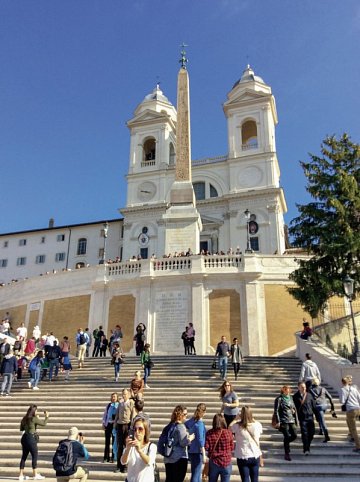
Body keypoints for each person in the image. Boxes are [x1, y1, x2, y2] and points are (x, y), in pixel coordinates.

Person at [231, 406, 262, 482]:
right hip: (255, 455)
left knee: (245, 479)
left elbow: (229, 428)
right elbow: (258, 440)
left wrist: (236, 418)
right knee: (255, 479)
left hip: (243, 455)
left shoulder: (237, 426)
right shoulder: (257, 424)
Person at [163, 405, 194, 482]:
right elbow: (183, 443)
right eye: (185, 414)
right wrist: (190, 438)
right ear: (181, 415)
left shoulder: (169, 426)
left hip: (168, 457)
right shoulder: (181, 426)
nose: (187, 416)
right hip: (180, 458)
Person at [19, 404, 49, 481]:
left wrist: (33, 424)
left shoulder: (24, 418)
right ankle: (35, 475)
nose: (37, 411)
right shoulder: (34, 418)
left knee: (24, 457)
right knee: (34, 456)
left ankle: (21, 475)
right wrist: (47, 417)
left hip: (24, 438)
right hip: (31, 439)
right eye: (36, 410)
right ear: (34, 411)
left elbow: (21, 428)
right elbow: (44, 424)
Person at [120, 417, 156, 482]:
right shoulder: (131, 446)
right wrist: (127, 448)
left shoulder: (151, 446)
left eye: (140, 429)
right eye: (135, 429)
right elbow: (123, 462)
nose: (137, 432)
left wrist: (139, 451)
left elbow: (149, 462)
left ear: (145, 431)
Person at [205, 413, 234, 482]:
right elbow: (232, 447)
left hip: (214, 462)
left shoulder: (209, 433)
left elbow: (206, 447)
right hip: (226, 461)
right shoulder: (228, 433)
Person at [114, 388, 136, 473]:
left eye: (126, 394)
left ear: (129, 395)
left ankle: (125, 466)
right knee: (120, 446)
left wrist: (131, 425)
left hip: (127, 425)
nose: (124, 395)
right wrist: (115, 424)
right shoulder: (120, 403)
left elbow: (133, 414)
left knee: (127, 446)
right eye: (123, 394)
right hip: (120, 425)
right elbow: (117, 414)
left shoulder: (131, 403)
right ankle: (119, 466)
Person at [273, 385, 297, 461]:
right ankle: (287, 453)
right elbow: (276, 411)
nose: (287, 391)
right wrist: (278, 421)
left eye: (289, 389)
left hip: (291, 419)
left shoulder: (291, 398)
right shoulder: (279, 399)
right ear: (283, 390)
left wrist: (294, 413)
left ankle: (286, 444)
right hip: (283, 420)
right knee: (286, 436)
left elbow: (293, 408)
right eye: (286, 389)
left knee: (294, 435)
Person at [185, 403, 207, 482]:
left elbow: (185, 425)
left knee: (196, 474)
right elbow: (201, 440)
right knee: (196, 474)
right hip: (198, 452)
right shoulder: (200, 424)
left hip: (191, 450)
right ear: (204, 412)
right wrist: (204, 454)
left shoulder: (192, 420)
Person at [309, 377, 336, 441]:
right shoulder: (323, 388)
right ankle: (321, 430)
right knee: (320, 417)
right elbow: (330, 397)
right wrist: (332, 407)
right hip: (324, 405)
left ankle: (326, 436)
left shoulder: (311, 389)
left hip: (317, 406)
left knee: (321, 420)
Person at [293, 382, 316, 454]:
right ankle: (306, 449)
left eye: (305, 387)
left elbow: (314, 406)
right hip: (302, 418)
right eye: (302, 387)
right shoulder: (295, 397)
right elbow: (292, 406)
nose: (304, 388)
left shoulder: (309, 395)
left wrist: (317, 416)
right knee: (304, 433)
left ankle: (307, 445)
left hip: (310, 417)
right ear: (298, 387)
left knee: (312, 433)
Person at [340, 375, 360, 452]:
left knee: (353, 429)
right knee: (347, 420)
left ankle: (358, 446)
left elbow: (342, 401)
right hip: (358, 408)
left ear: (342, 383)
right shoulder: (354, 389)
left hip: (350, 410)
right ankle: (351, 435)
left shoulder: (343, 390)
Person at [102, 393, 119, 463]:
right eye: (112, 397)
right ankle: (106, 457)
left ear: (117, 397)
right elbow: (105, 414)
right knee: (107, 442)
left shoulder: (119, 405)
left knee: (114, 442)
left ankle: (113, 457)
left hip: (115, 425)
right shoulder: (109, 405)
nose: (113, 398)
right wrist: (103, 423)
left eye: (114, 397)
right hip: (108, 424)